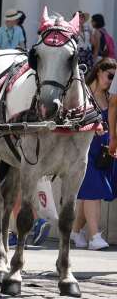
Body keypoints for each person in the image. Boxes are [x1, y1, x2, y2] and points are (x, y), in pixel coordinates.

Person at [72, 58, 117, 250]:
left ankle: (74, 232)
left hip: (104, 151)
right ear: (99, 72)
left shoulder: (110, 98)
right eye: (110, 76)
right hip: (84, 149)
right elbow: (72, 119)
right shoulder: (83, 94)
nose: (112, 81)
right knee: (94, 192)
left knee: (91, 193)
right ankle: (94, 236)